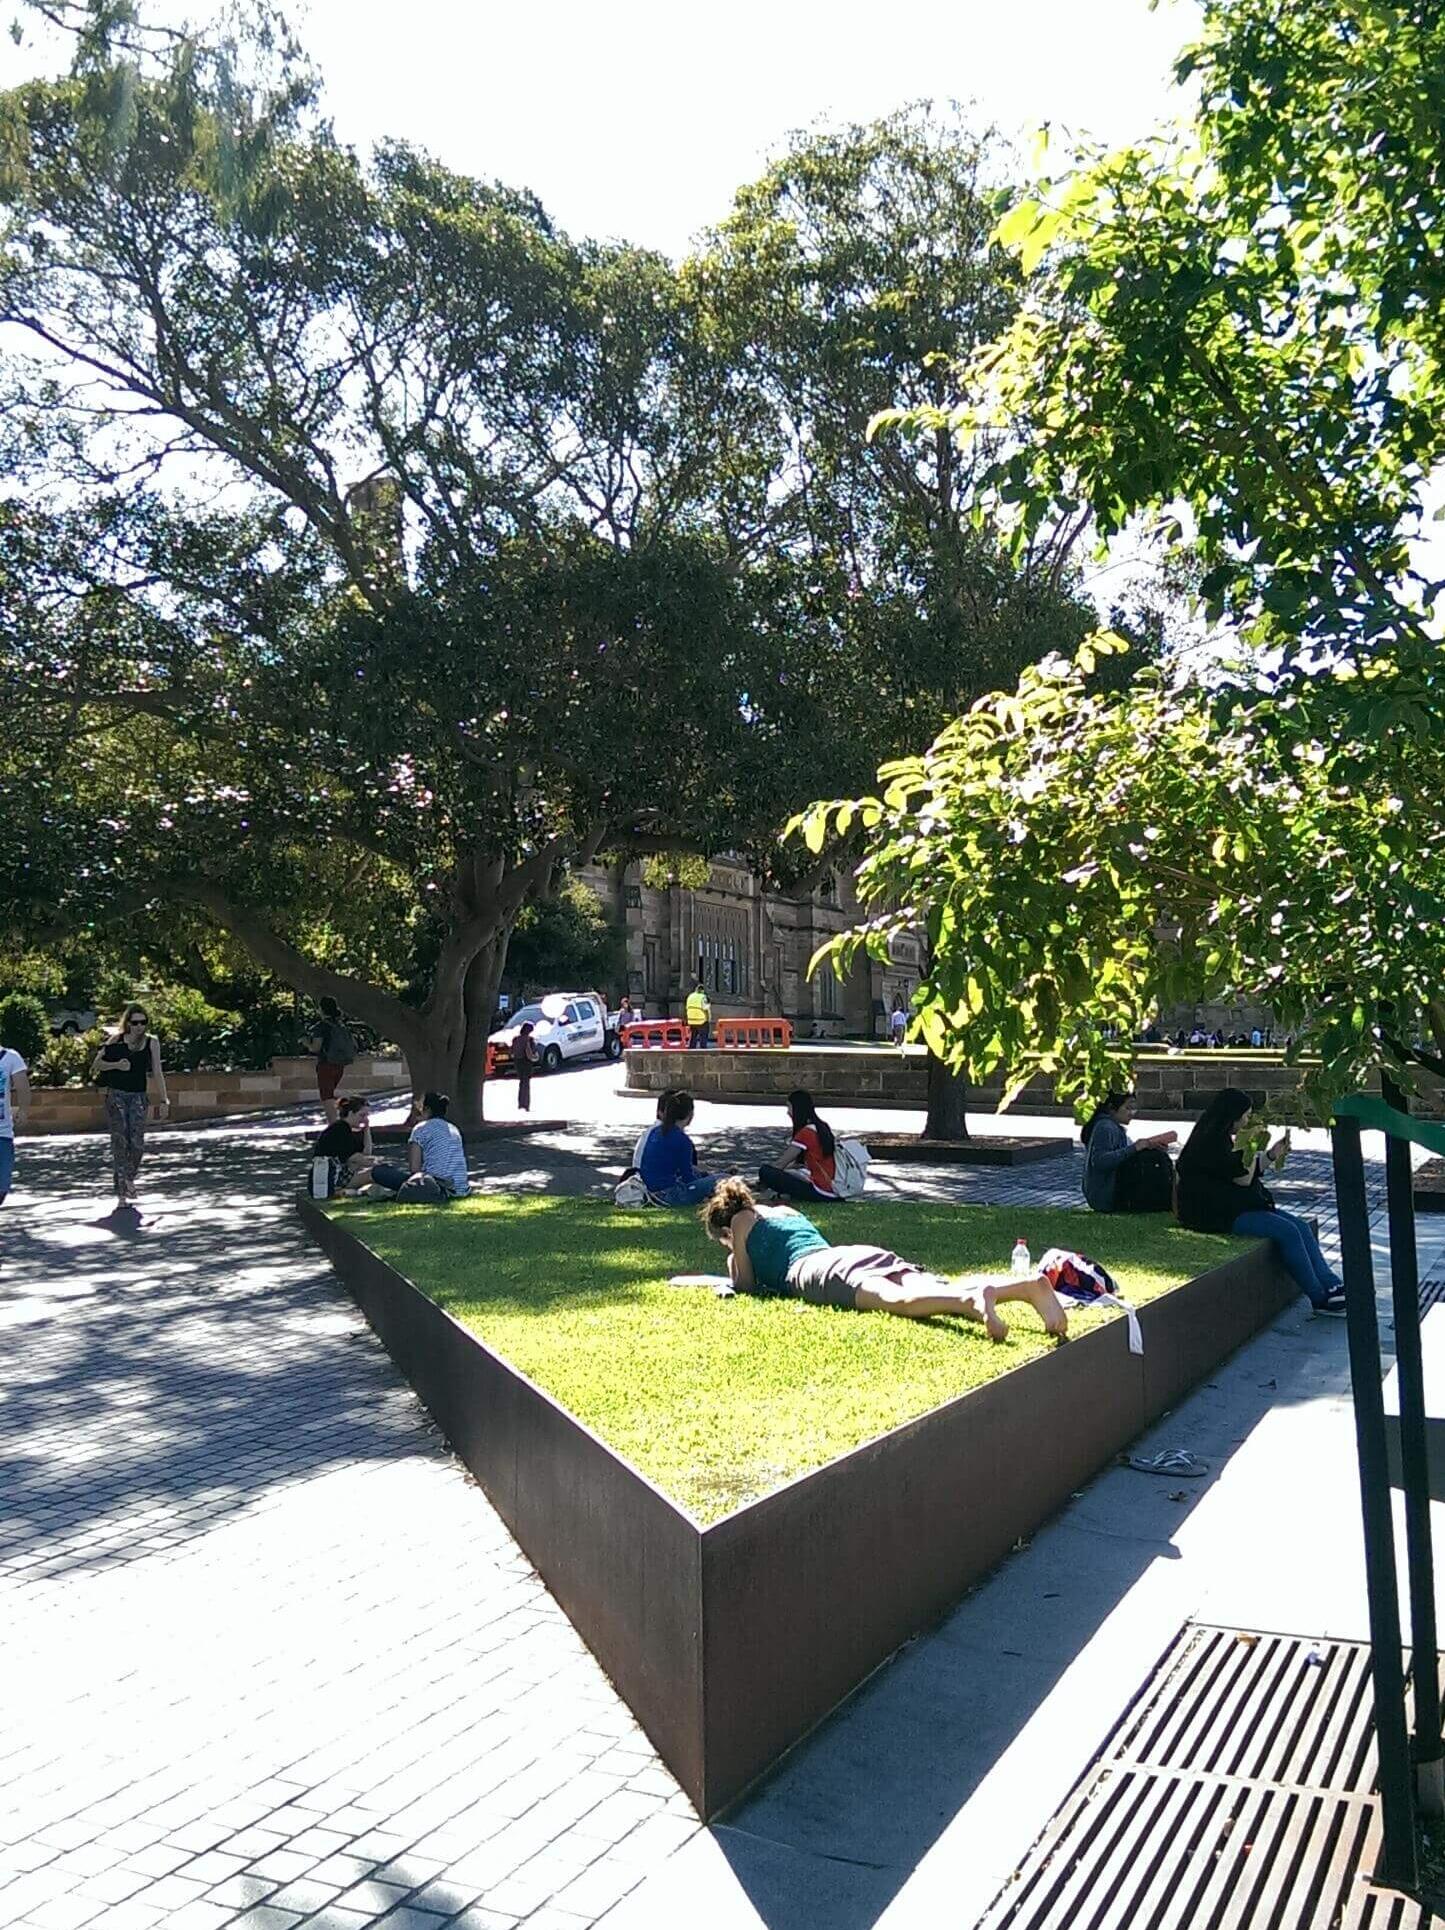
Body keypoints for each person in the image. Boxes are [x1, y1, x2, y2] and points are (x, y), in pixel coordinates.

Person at [702, 1179, 1069, 1342]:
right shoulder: (783, 1211)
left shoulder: (741, 1222)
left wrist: (733, 1253)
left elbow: (746, 1285)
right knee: (922, 1287)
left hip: (817, 1273)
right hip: (851, 1253)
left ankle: (971, 1300)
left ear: (724, 1228)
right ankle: (1025, 1287)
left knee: (898, 1302)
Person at [1176, 1087, 1343, 1311]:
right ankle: (1319, 1296)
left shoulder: (1222, 1137)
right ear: (1232, 1117)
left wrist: (1271, 1155)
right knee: (1288, 1232)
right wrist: (1253, 1145)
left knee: (1300, 1227)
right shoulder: (1213, 1141)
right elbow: (1243, 1179)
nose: (1247, 1121)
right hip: (1215, 1212)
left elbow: (1247, 1171)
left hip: (1236, 1205)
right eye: (1245, 1116)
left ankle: (1332, 1284)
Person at [91, 1005, 168, 1205]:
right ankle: (122, 1190)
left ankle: (128, 1177)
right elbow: (96, 1064)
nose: (139, 1027)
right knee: (120, 1141)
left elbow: (157, 1072)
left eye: (143, 1022)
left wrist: (164, 1099)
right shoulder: (116, 1040)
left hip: (138, 1096)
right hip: (116, 1095)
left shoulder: (152, 1042)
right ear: (128, 1023)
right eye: (135, 1023)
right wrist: (117, 1065)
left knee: (137, 1143)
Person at [1080, 1092, 1177, 1214]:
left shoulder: (1112, 1126)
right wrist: (1135, 1148)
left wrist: (1148, 1146)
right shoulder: (1105, 1127)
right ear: (1112, 1108)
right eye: (1127, 1108)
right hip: (1105, 1195)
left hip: (1108, 1192)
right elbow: (1100, 1161)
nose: (1132, 1113)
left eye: (1133, 1109)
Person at [364, 1091, 470, 1201]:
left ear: (427, 1110)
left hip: (432, 1186)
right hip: (460, 1189)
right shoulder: (453, 1129)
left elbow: (415, 1169)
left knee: (379, 1171)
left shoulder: (420, 1129)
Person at [639, 1089, 716, 1205]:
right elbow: (688, 1177)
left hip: (649, 1190)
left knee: (698, 1172)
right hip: (670, 1195)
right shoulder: (683, 1140)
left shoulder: (655, 1132)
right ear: (690, 1115)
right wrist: (703, 1185)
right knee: (722, 1178)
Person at [760, 1090, 839, 1203]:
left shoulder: (806, 1132)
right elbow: (797, 1164)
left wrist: (767, 1178)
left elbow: (780, 1164)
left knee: (765, 1171)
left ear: (797, 1108)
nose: (788, 1112)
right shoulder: (822, 1126)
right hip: (834, 1189)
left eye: (789, 1107)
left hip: (821, 1191)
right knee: (794, 1173)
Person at [305, 995, 356, 1124]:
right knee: (331, 1095)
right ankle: (337, 1121)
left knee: (327, 1097)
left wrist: (305, 1042)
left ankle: (333, 1125)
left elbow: (315, 1048)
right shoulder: (340, 1025)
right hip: (340, 1064)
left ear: (322, 1009)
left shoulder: (321, 1026)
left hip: (326, 1064)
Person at [311, 1097, 373, 1188]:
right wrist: (377, 1164)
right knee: (375, 1174)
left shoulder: (349, 1129)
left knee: (374, 1175)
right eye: (362, 1115)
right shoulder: (339, 1129)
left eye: (367, 1116)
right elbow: (354, 1158)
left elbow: (366, 1153)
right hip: (331, 1176)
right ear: (351, 1113)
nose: (365, 1120)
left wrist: (367, 1129)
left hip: (338, 1174)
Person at [0, 1030, 31, 1205]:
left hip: (3, 1132)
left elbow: (22, 1086)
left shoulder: (10, 1057)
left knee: (2, 1185)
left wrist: (24, 1109)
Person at [516, 1020, 538, 1112]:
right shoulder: (530, 1039)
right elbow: (532, 1052)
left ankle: (520, 1103)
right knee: (526, 1084)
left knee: (521, 1083)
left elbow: (512, 1051)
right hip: (526, 1062)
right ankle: (526, 1104)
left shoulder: (516, 1039)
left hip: (518, 1062)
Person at [685, 979, 711, 1050]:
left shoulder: (690, 996)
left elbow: (687, 1008)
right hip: (701, 1020)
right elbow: (707, 1009)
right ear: (702, 990)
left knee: (693, 1035)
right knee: (704, 1035)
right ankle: (703, 1048)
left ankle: (691, 1048)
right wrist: (708, 1019)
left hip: (691, 1020)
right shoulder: (703, 997)